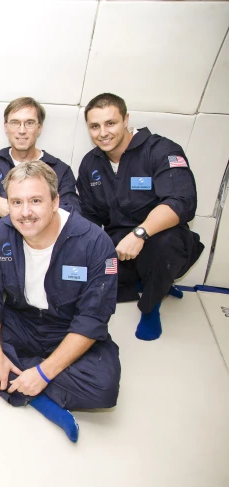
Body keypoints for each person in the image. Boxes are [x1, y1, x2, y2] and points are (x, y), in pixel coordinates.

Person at [0, 161, 121, 443]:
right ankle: (36, 395)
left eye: (35, 201)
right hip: (21, 319)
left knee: (104, 387)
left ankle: (9, 377)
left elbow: (92, 320)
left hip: (67, 327)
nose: (25, 213)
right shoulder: (2, 232)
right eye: (16, 202)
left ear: (55, 201)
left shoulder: (95, 243)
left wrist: (44, 372)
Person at [78, 93, 204, 341]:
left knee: (164, 245)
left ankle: (150, 305)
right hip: (119, 247)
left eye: (110, 123)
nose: (103, 132)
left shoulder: (161, 150)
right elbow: (90, 216)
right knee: (80, 286)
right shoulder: (90, 164)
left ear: (126, 119)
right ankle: (150, 285)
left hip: (160, 240)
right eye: (95, 126)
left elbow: (182, 201)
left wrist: (140, 233)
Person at [0, 97, 79, 267]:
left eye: (29, 123)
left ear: (39, 128)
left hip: (40, 256)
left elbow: (72, 214)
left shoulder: (59, 169)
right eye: (15, 123)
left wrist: (29, 210)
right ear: (6, 127)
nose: (22, 130)